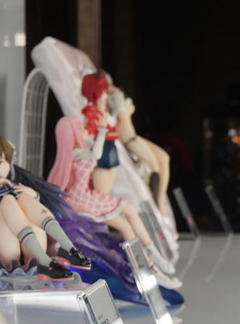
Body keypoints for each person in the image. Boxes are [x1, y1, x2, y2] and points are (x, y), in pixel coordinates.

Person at [48, 116, 180, 288]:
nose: (83, 130)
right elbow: (96, 154)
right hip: (83, 200)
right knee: (129, 211)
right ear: (71, 134)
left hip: (85, 197)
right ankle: (153, 262)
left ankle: (152, 263)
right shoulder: (74, 153)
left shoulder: (74, 151)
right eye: (79, 128)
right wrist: (102, 131)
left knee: (126, 225)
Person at [0, 133, 89, 279]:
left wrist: (34, 196)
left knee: (24, 197)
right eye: (0, 161)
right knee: (8, 200)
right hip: (7, 251)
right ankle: (46, 261)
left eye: (7, 160)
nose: (6, 165)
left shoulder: (16, 186)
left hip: (33, 252)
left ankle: (68, 249)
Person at [106, 87, 172, 215]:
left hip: (133, 136)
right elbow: (120, 112)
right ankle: (158, 201)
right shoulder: (115, 99)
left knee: (164, 158)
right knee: (154, 165)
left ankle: (161, 198)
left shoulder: (119, 97)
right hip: (129, 139)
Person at [81, 70, 120, 194]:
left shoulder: (105, 110)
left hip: (112, 149)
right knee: (103, 193)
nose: (104, 96)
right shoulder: (91, 112)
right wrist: (84, 133)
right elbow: (89, 129)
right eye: (101, 92)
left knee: (108, 190)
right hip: (101, 150)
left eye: (105, 92)